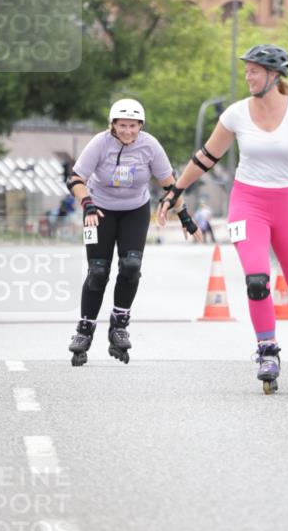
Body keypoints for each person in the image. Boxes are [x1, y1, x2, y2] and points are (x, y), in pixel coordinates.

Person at [158, 44, 288, 393]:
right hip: (248, 203)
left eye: (254, 71)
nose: (248, 77)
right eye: (246, 70)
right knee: (257, 280)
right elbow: (206, 157)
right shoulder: (236, 114)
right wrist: (175, 190)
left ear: (273, 75)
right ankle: (267, 349)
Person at [66, 98, 201, 366]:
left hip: (135, 211)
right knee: (98, 271)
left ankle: (119, 325)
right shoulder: (100, 143)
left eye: (133, 126)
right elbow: (75, 179)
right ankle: (84, 330)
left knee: (130, 266)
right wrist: (87, 204)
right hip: (97, 211)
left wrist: (185, 216)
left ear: (141, 125)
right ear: (113, 125)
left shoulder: (150, 146)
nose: (128, 131)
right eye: (122, 125)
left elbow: (170, 186)